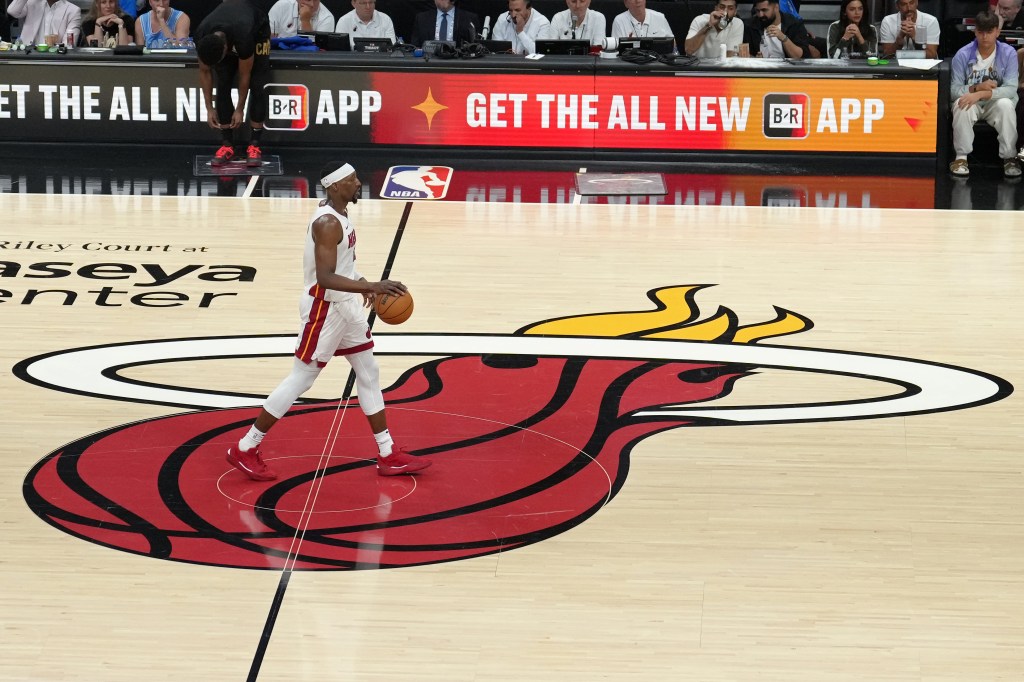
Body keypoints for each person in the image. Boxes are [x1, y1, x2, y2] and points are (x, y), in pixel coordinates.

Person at [226, 162, 431, 481]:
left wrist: (362, 282)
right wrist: (371, 286)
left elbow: (344, 267)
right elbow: (323, 278)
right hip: (324, 309)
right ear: (335, 186)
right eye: (352, 180)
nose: (358, 183)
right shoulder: (327, 223)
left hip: (345, 306)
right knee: (301, 378)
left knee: (369, 371)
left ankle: (388, 453)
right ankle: (246, 447)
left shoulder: (340, 212)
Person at [195, 0, 271, 168]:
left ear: (225, 49)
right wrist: (208, 108)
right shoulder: (201, 35)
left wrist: (239, 109)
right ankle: (227, 145)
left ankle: (255, 145)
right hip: (227, 30)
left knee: (257, 84)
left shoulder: (243, 36)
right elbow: (205, 72)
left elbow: (245, 74)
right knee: (223, 82)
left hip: (257, 29)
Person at [949, 10, 1021, 177]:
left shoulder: (1008, 53)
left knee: (1006, 104)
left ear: (997, 31)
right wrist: (977, 88)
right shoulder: (962, 55)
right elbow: (953, 91)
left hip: (994, 102)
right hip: (972, 102)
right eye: (980, 32)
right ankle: (960, 158)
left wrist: (981, 94)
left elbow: (1011, 88)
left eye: (989, 32)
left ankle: (1010, 157)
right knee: (961, 104)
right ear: (975, 31)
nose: (985, 37)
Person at [746, 0, 811, 58]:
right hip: (762, 69)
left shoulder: (793, 24)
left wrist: (784, 38)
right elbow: (746, 54)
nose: (760, 15)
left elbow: (800, 56)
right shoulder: (751, 25)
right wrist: (755, 59)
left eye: (764, 10)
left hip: (788, 69)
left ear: (776, 8)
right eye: (757, 11)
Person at [7, 0, 82, 46]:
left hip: (56, 60)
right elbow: (12, 11)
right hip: (28, 57)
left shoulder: (73, 11)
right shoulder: (31, 3)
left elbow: (69, 45)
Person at [410, 0, 479, 47]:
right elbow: (414, 46)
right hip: (429, 62)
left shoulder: (469, 19)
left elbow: (475, 46)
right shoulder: (421, 18)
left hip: (457, 63)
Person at [268, 0, 334, 38]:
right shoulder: (281, 7)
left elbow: (314, 54)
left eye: (316, 0)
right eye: (308, 0)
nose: (312, 4)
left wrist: (306, 21)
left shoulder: (327, 18)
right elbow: (270, 41)